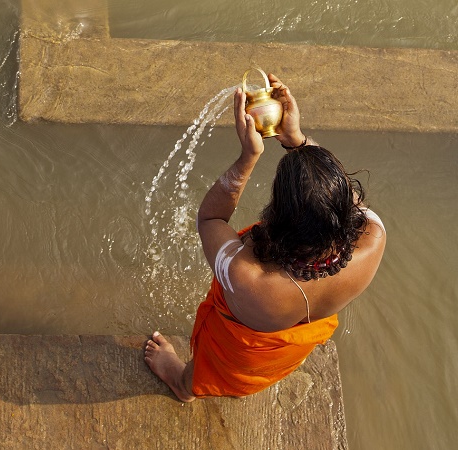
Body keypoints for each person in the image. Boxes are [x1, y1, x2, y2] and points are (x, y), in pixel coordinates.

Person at [144, 74, 386, 402]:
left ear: (278, 214)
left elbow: (210, 218)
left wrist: (248, 157)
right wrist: (295, 139)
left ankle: (182, 384)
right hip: (288, 351)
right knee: (265, 367)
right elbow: (345, 199)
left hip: (238, 353)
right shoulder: (373, 239)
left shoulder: (250, 277)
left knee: (204, 373)